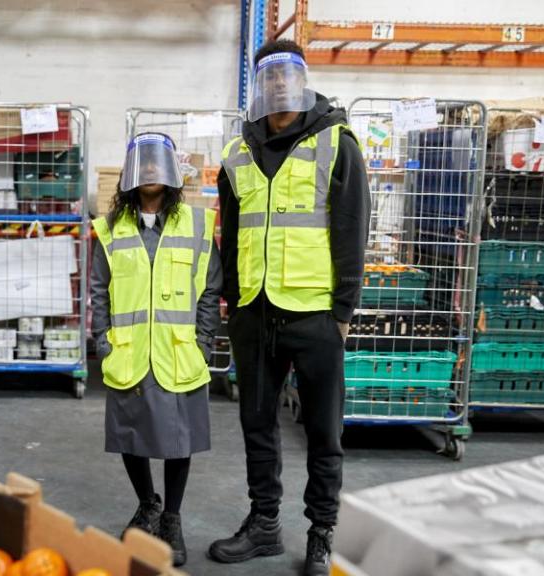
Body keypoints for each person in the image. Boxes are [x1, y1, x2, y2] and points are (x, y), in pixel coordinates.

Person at [207, 40, 370, 575]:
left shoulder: (336, 141)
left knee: (324, 432)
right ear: (258, 86)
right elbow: (230, 233)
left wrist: (342, 312)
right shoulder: (237, 151)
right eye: (268, 76)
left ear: (301, 80)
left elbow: (351, 229)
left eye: (286, 74)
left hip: (316, 315)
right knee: (258, 426)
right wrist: (232, 299)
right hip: (254, 313)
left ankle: (322, 533)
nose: (278, 84)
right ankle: (264, 525)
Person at [90, 132, 222, 567]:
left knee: (178, 441)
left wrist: (202, 343)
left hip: (178, 352)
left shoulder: (197, 224)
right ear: (130, 173)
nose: (149, 173)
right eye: (141, 164)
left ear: (170, 172)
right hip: (128, 353)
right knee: (132, 436)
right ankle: (147, 502)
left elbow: (210, 290)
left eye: (156, 163)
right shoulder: (109, 229)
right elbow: (99, 290)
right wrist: (104, 341)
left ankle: (172, 518)